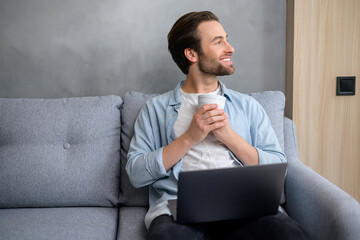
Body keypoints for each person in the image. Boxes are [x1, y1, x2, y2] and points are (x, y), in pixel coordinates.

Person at [126, 11, 308, 240]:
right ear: (191, 54)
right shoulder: (155, 109)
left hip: (245, 206)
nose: (230, 48)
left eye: (226, 39)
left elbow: (279, 167)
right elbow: (135, 173)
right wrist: (189, 138)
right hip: (178, 210)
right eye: (218, 42)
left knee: (290, 235)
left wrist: (229, 136)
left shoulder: (248, 106)